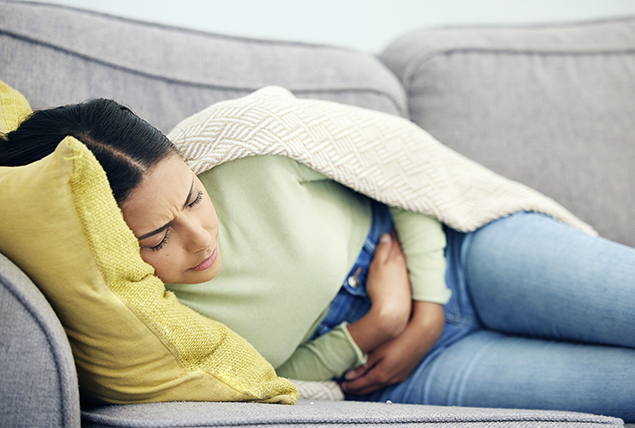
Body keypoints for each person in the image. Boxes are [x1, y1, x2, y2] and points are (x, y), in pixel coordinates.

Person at [1, 98, 634, 422]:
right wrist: (375, 326)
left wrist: (429, 306)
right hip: (400, 372)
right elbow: (279, 375)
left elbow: (400, 170)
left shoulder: (249, 150)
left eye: (193, 197)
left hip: (462, 256)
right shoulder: (164, 325)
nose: (199, 240)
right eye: (158, 238)